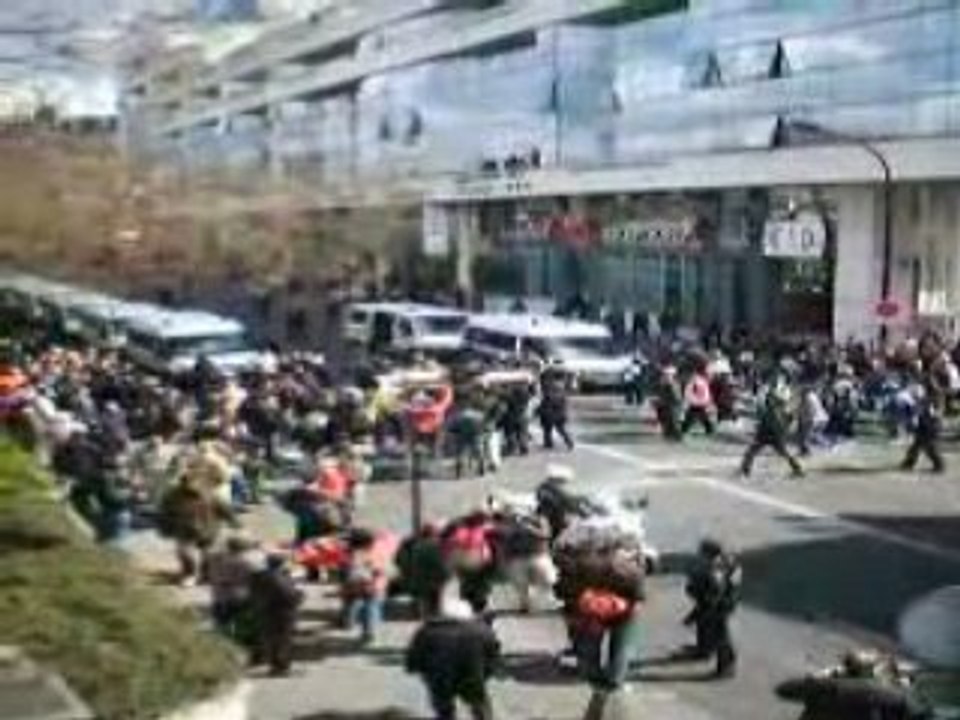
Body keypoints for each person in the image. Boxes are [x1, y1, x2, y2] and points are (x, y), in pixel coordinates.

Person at [406, 596, 500, 720]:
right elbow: (493, 656)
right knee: (479, 704)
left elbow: (414, 658)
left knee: (444, 709)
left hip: (440, 678)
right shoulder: (482, 630)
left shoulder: (426, 631)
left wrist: (423, 673)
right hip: (472, 675)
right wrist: (485, 674)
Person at [157, 473, 236, 586]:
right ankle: (190, 573)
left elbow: (225, 509)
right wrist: (165, 527)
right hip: (185, 529)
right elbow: (165, 511)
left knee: (208, 554)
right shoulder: (174, 495)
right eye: (190, 483)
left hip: (209, 528)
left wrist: (234, 522)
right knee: (184, 552)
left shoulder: (212, 495)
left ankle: (206, 574)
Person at [684, 538, 741, 678]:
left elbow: (715, 592)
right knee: (706, 627)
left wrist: (702, 610)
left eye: (702, 552)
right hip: (716, 602)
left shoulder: (717, 568)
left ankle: (727, 667)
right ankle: (704, 650)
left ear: (709, 554)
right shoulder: (720, 563)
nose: (699, 555)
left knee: (721, 635)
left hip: (719, 605)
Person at [249, 552, 304, 676]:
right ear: (281, 564)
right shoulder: (278, 577)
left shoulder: (259, 576)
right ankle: (281, 666)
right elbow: (288, 594)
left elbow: (253, 592)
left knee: (271, 638)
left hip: (265, 610)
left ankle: (275, 664)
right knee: (283, 639)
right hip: (282, 611)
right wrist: (299, 596)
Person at [739, 385, 804, 479]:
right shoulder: (779, 409)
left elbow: (770, 419)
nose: (770, 400)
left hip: (768, 435)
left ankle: (745, 470)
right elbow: (785, 421)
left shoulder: (775, 410)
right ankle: (797, 469)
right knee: (783, 453)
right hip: (772, 435)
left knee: (752, 452)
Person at [207, 535, 259, 642]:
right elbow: (247, 580)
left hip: (219, 594)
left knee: (220, 621)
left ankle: (221, 639)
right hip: (235, 596)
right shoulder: (245, 563)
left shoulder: (218, 559)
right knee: (236, 622)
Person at [900, 388, 945, 474]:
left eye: (915, 395)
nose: (913, 397)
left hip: (929, 427)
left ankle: (939, 465)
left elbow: (933, 416)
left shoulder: (926, 403)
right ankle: (908, 463)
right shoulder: (921, 402)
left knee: (929, 448)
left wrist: (929, 425)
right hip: (924, 427)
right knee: (915, 446)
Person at [538, 366, 574, 451]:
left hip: (551, 410)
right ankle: (568, 442)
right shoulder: (562, 384)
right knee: (560, 428)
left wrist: (542, 408)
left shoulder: (549, 385)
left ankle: (549, 443)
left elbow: (548, 397)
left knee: (548, 428)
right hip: (560, 410)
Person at [682, 367, 715, 436]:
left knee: (695, 416)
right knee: (698, 416)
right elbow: (690, 391)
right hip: (698, 402)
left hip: (698, 402)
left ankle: (684, 429)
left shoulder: (700, 381)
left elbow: (704, 392)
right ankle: (710, 430)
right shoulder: (698, 381)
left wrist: (707, 400)